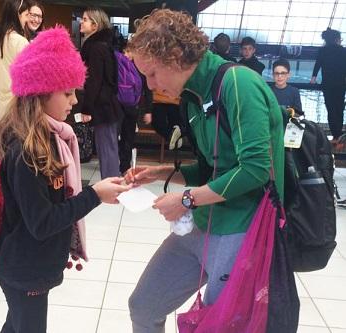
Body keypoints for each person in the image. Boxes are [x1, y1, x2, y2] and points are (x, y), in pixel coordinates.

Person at [125, 10, 284, 332]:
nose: (150, 85)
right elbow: (215, 168)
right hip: (203, 224)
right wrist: (162, 173)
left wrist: (185, 200)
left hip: (240, 228)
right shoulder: (194, 97)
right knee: (143, 306)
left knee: (218, 323)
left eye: (152, 74)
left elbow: (256, 169)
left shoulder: (238, 83)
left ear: (174, 57)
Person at [0, 26, 131, 333]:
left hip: (31, 263)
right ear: (40, 93)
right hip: (25, 267)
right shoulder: (28, 150)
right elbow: (42, 222)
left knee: (15, 325)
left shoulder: (51, 139)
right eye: (67, 92)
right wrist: (94, 195)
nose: (74, 101)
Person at [80, 7, 122, 178]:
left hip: (103, 104)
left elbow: (94, 80)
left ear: (95, 25)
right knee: (108, 145)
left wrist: (86, 108)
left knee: (106, 146)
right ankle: (111, 180)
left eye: (85, 19)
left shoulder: (96, 47)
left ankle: (111, 182)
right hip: (108, 103)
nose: (81, 22)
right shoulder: (104, 45)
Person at [0, 0, 30, 121]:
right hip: (20, 106)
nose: (26, 20)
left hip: (2, 105)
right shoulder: (21, 42)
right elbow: (29, 77)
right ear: (17, 15)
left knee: (4, 137)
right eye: (26, 15)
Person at [311, 28, 346, 141]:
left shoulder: (322, 51)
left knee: (330, 109)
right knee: (339, 108)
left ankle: (335, 135)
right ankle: (338, 134)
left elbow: (317, 65)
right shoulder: (343, 51)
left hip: (327, 85)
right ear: (336, 39)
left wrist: (313, 79)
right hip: (341, 84)